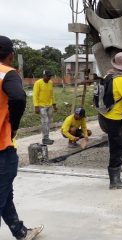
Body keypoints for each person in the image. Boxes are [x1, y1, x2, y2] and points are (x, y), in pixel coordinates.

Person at [0, 35, 44, 239]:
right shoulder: (7, 73)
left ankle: (20, 232)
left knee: (5, 193)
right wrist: (14, 126)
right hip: (1, 148)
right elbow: (18, 97)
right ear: (11, 55)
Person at [98, 52, 122, 189]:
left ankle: (118, 168)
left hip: (105, 115)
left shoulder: (108, 76)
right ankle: (114, 181)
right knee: (117, 147)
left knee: (118, 143)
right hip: (115, 118)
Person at [33, 70, 57, 145]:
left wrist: (54, 104)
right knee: (45, 122)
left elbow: (52, 94)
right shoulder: (38, 83)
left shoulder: (50, 83)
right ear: (43, 76)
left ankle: (47, 137)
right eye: (48, 76)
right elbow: (35, 95)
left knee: (48, 122)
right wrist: (36, 106)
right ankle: (45, 139)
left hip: (49, 105)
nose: (49, 78)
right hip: (41, 106)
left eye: (50, 76)